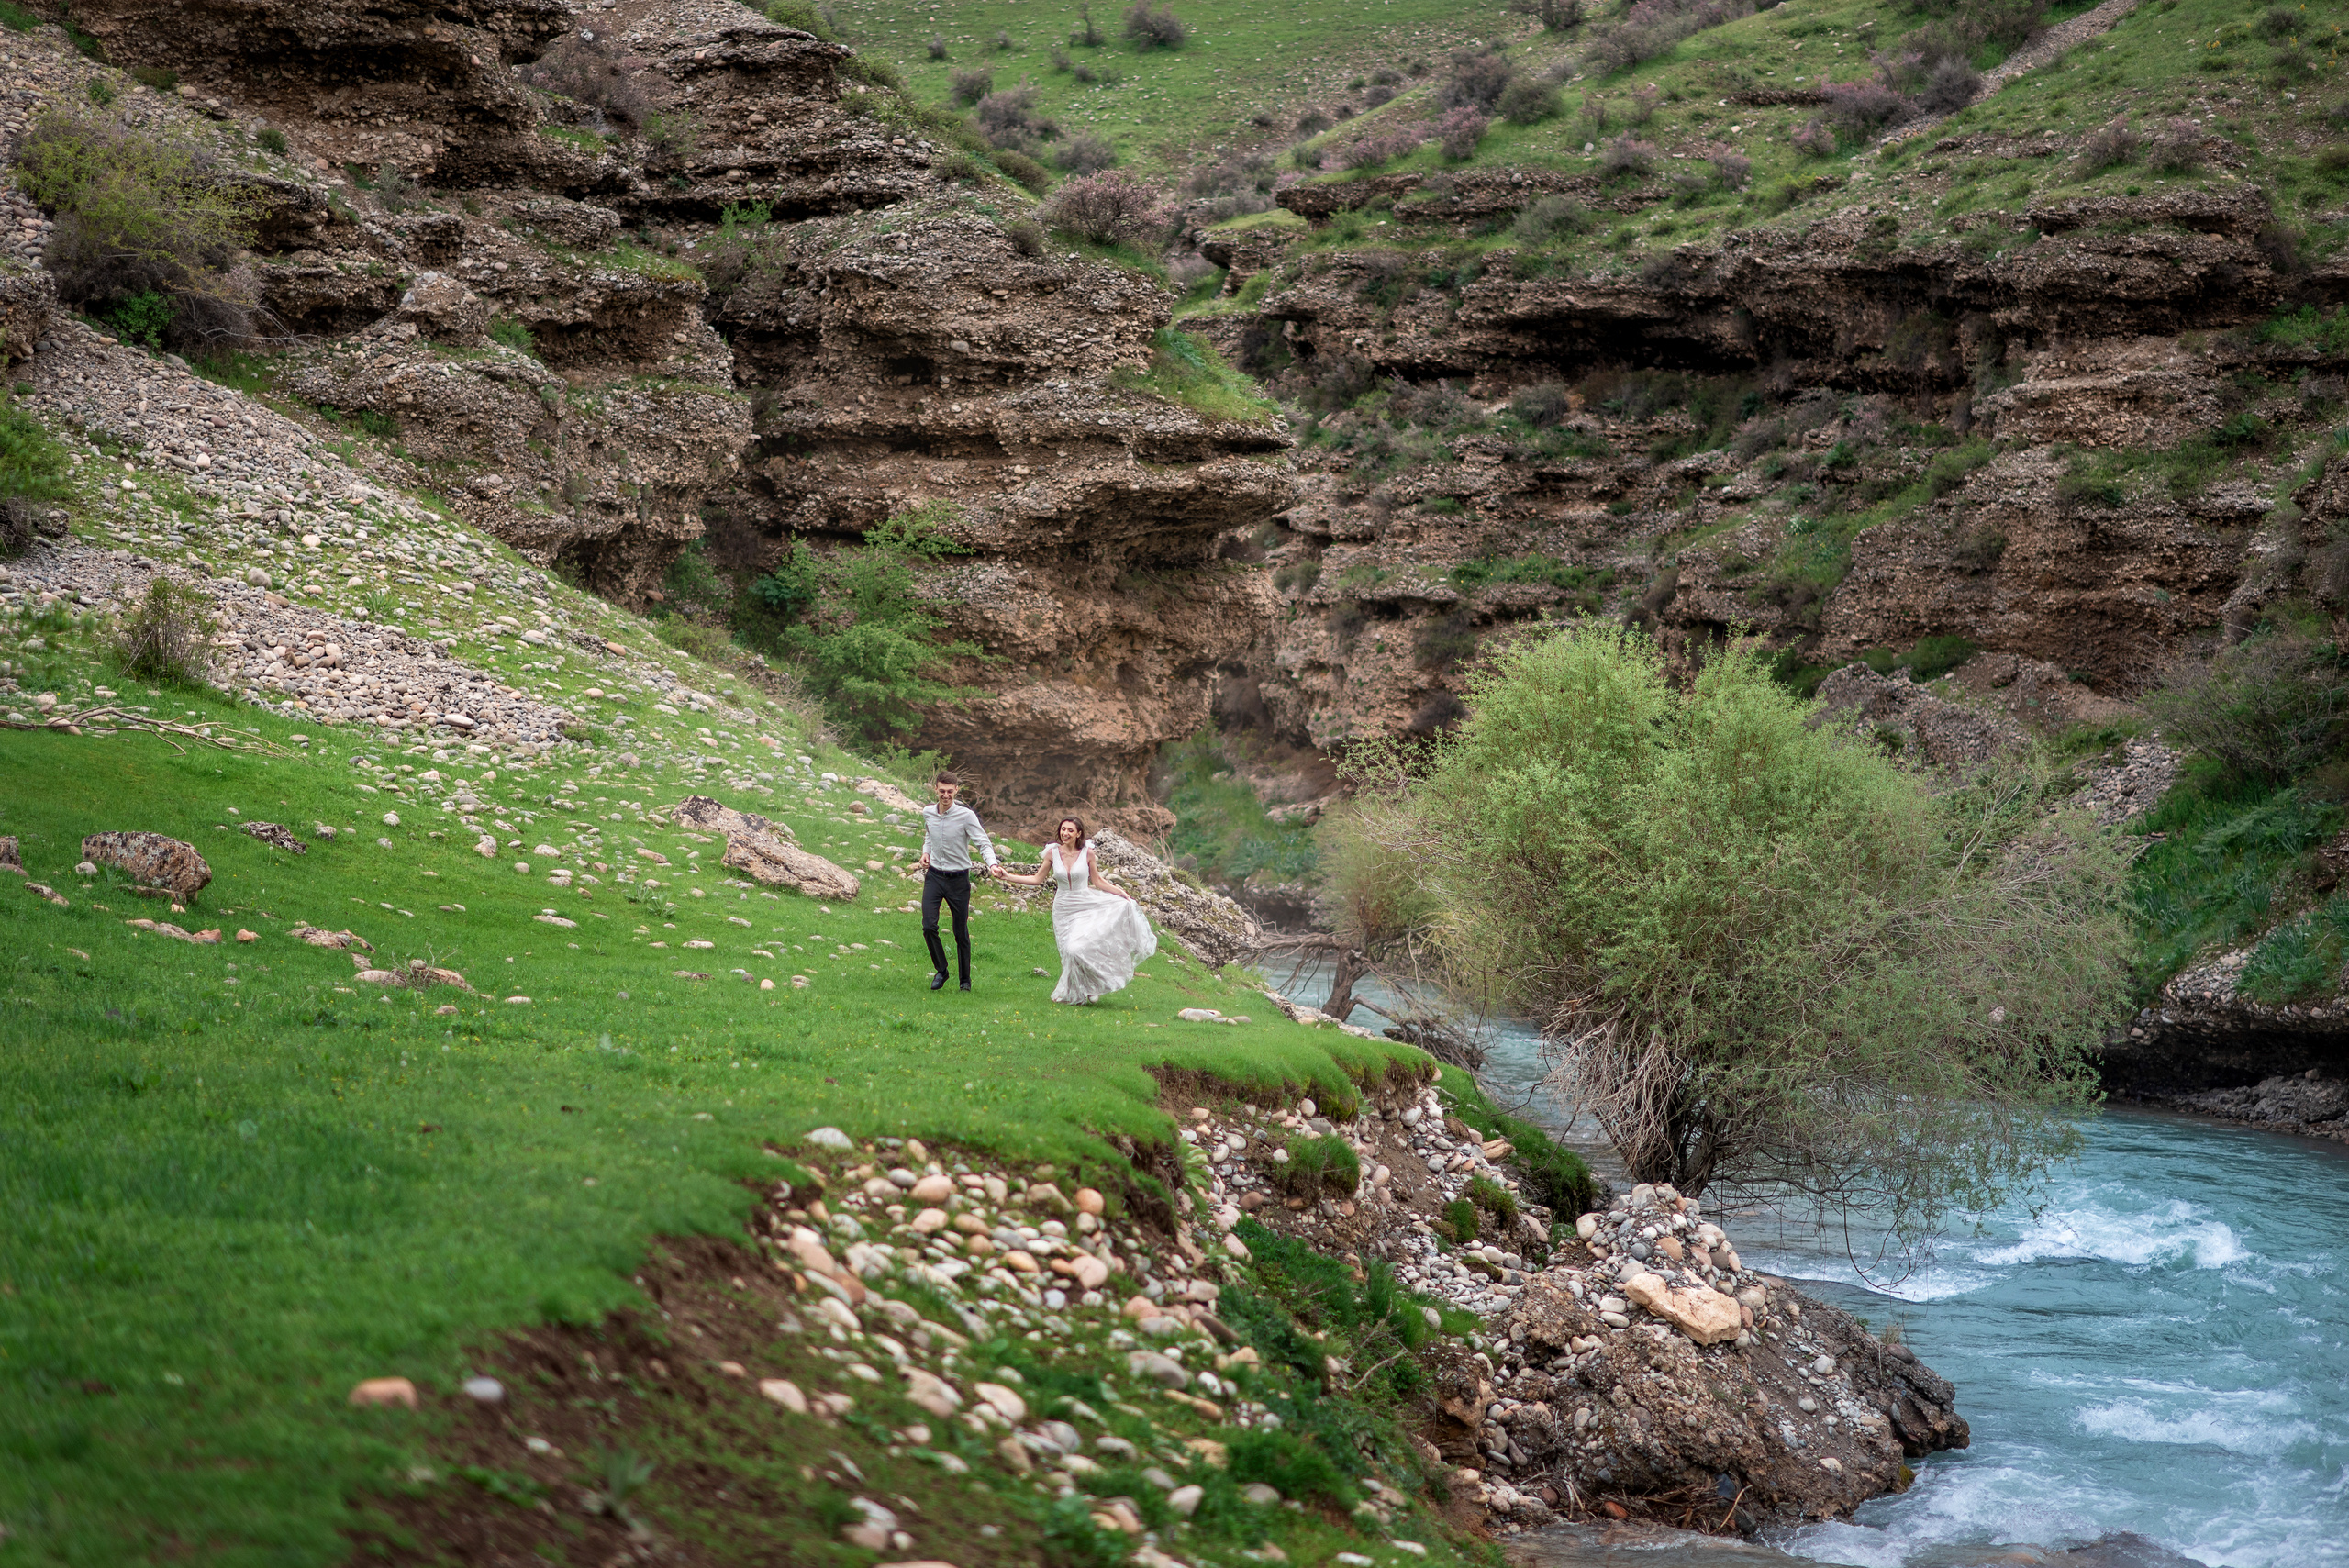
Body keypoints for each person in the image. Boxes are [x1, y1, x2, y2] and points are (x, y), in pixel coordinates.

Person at [997, 816, 1157, 1005]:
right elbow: (1036, 879)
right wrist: (1008, 876)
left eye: (1070, 830)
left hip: (1086, 903)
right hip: (1063, 907)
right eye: (1063, 829)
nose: (1065, 833)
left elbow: (1097, 881)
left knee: (1079, 948)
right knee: (1069, 952)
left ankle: (1094, 986)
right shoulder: (1052, 852)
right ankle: (1080, 989)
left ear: (1078, 834)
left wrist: (1120, 892)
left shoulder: (1087, 853)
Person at [914, 771, 1000, 993]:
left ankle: (965, 981)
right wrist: (926, 852)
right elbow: (929, 834)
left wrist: (992, 864)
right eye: (942, 791)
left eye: (950, 792)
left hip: (958, 879)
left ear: (956, 791)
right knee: (928, 926)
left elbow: (983, 842)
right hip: (934, 876)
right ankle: (942, 970)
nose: (945, 795)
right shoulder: (928, 812)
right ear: (936, 789)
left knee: (960, 931)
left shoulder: (966, 816)